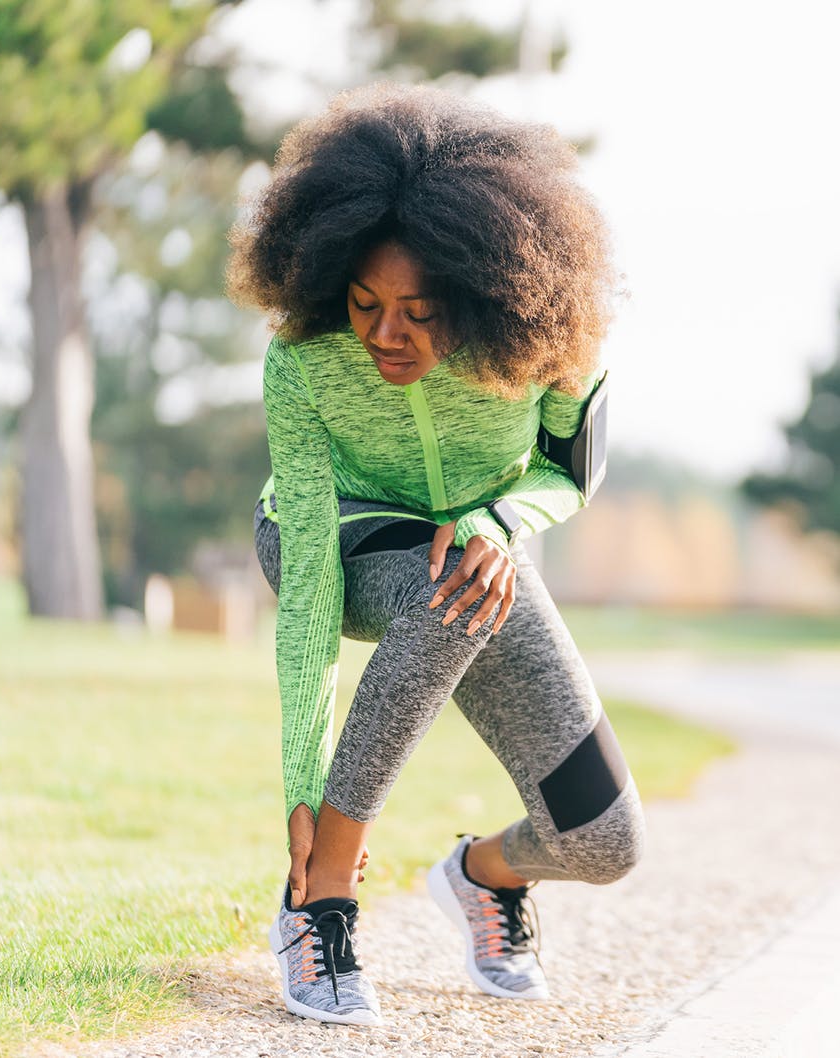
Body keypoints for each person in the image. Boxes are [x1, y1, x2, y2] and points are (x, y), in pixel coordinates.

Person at [227, 83, 645, 1027]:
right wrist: (302, 789)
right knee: (445, 586)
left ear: (481, 293)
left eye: (419, 311)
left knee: (605, 841)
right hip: (324, 535)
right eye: (365, 303)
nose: (385, 335)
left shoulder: (550, 344)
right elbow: (308, 591)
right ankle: (319, 899)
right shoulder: (304, 358)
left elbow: (570, 473)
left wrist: (503, 523)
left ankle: (483, 875)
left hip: (477, 546)